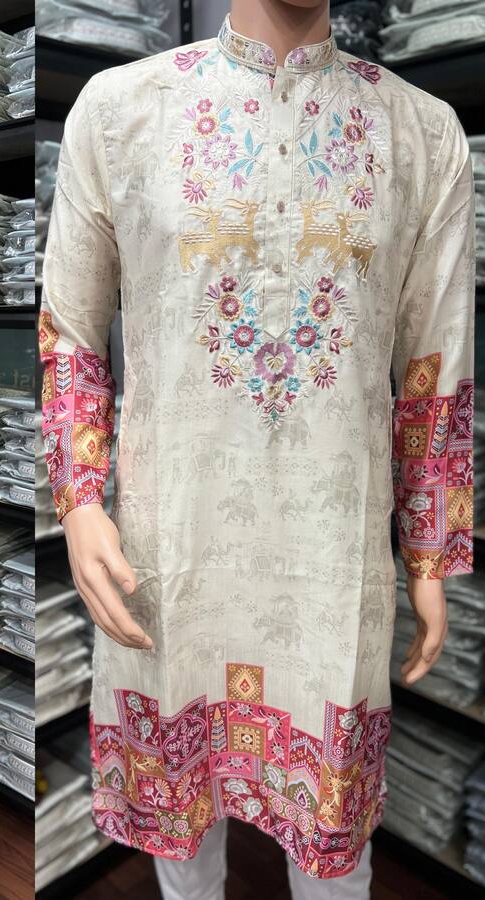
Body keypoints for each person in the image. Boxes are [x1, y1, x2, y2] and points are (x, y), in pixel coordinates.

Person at [38, 0, 474, 896]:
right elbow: (71, 334)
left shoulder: (423, 134)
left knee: (334, 854)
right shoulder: (120, 110)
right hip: (171, 549)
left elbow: (437, 366)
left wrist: (430, 550)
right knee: (182, 844)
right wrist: (78, 499)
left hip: (331, 565)